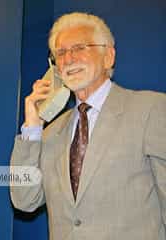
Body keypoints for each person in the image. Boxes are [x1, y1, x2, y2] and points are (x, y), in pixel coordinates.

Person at [10, 12, 166, 240]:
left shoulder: (150, 109)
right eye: (60, 53)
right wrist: (32, 126)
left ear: (108, 57)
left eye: (79, 48)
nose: (69, 59)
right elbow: (24, 200)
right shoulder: (51, 132)